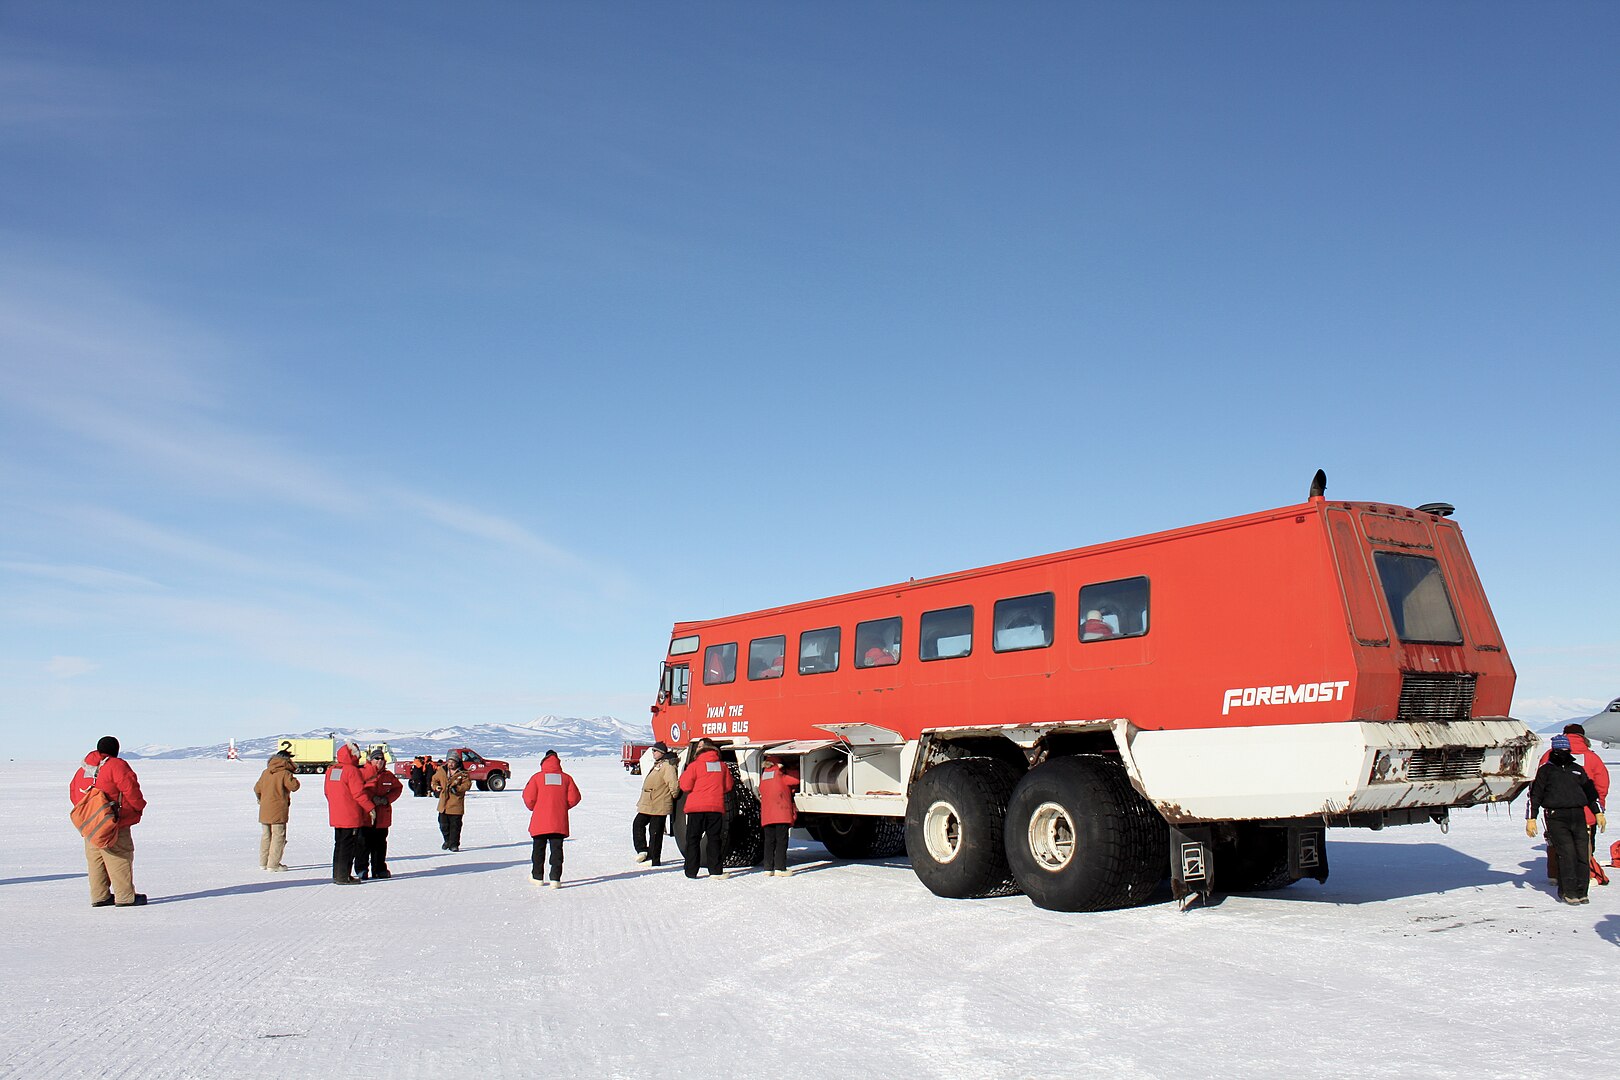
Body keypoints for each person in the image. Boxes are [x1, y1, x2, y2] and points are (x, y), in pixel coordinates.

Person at [1526, 734, 1606, 905]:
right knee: (1567, 853)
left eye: (1565, 749)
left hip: (1578, 815)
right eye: (1559, 749)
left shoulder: (1577, 769)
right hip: (1557, 816)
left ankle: (1582, 891)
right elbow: (1535, 795)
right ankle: (1569, 892)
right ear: (1554, 750)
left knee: (1582, 853)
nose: (1563, 752)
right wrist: (1531, 818)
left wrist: (1598, 813)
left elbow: (1591, 792)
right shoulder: (1545, 771)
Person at [70, 736, 148, 907]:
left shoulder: (84, 768)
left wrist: (90, 814)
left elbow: (74, 792)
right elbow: (130, 789)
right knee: (119, 855)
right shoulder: (116, 765)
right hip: (113, 822)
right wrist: (138, 807)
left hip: (90, 824)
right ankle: (125, 897)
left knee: (96, 858)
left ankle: (100, 896)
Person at [1540, 724, 1611, 878]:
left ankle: (1555, 874)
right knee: (1584, 844)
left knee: (1555, 842)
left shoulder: (1549, 756)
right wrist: (1599, 806)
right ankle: (1585, 875)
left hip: (1555, 809)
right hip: (1586, 810)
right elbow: (1601, 784)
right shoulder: (1592, 757)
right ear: (1583, 737)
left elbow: (1538, 782)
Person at [522, 750, 582, 888]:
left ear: (544, 762)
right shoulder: (566, 778)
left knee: (538, 849)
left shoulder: (537, 778)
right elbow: (575, 798)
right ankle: (555, 878)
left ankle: (537, 877)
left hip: (540, 821)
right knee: (557, 850)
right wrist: (562, 806)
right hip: (558, 821)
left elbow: (529, 797)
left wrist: (534, 808)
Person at [678, 740, 734, 879]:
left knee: (693, 839)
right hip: (715, 808)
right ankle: (715, 871)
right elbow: (728, 786)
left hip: (695, 808)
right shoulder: (722, 766)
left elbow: (685, 786)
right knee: (714, 839)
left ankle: (691, 871)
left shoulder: (694, 765)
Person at [324, 742, 373, 885]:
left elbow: (327, 792)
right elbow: (359, 793)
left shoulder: (332, 770)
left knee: (339, 845)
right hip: (350, 815)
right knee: (348, 847)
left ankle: (337, 874)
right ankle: (344, 876)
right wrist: (370, 808)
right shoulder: (352, 771)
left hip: (336, 813)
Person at [355, 748, 403, 880]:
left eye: (382, 758)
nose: (379, 761)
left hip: (382, 816)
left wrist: (387, 799)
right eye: (377, 758)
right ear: (371, 760)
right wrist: (371, 798)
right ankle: (361, 869)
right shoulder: (361, 773)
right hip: (366, 815)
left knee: (380, 844)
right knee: (363, 843)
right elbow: (357, 790)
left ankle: (379, 869)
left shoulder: (388, 775)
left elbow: (397, 788)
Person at [633, 742, 681, 866]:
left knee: (655, 831)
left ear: (662, 752)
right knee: (638, 824)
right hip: (649, 802)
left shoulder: (668, 766)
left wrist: (673, 796)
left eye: (655, 751)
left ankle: (654, 858)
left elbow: (673, 784)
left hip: (659, 803)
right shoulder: (659, 764)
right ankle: (643, 850)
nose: (653, 753)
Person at [254, 748, 301, 871]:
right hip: (278, 809)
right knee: (278, 836)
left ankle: (263, 863)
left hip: (264, 808)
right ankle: (273, 864)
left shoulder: (266, 772)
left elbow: (257, 788)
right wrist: (293, 774)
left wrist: (260, 799)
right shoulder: (285, 773)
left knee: (266, 836)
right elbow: (294, 787)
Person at [758, 753, 801, 877]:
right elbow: (796, 779)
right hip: (781, 814)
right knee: (781, 841)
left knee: (769, 841)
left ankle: (768, 868)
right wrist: (792, 769)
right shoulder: (781, 774)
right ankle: (780, 868)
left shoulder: (764, 776)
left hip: (767, 815)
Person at [433, 751, 473, 851]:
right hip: (443, 804)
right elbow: (434, 779)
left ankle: (454, 844)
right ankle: (447, 841)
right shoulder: (442, 771)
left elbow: (467, 785)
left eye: (453, 762)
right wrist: (436, 787)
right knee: (443, 824)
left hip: (456, 803)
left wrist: (458, 788)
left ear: (457, 762)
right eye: (449, 761)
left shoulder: (463, 774)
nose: (450, 764)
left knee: (455, 826)